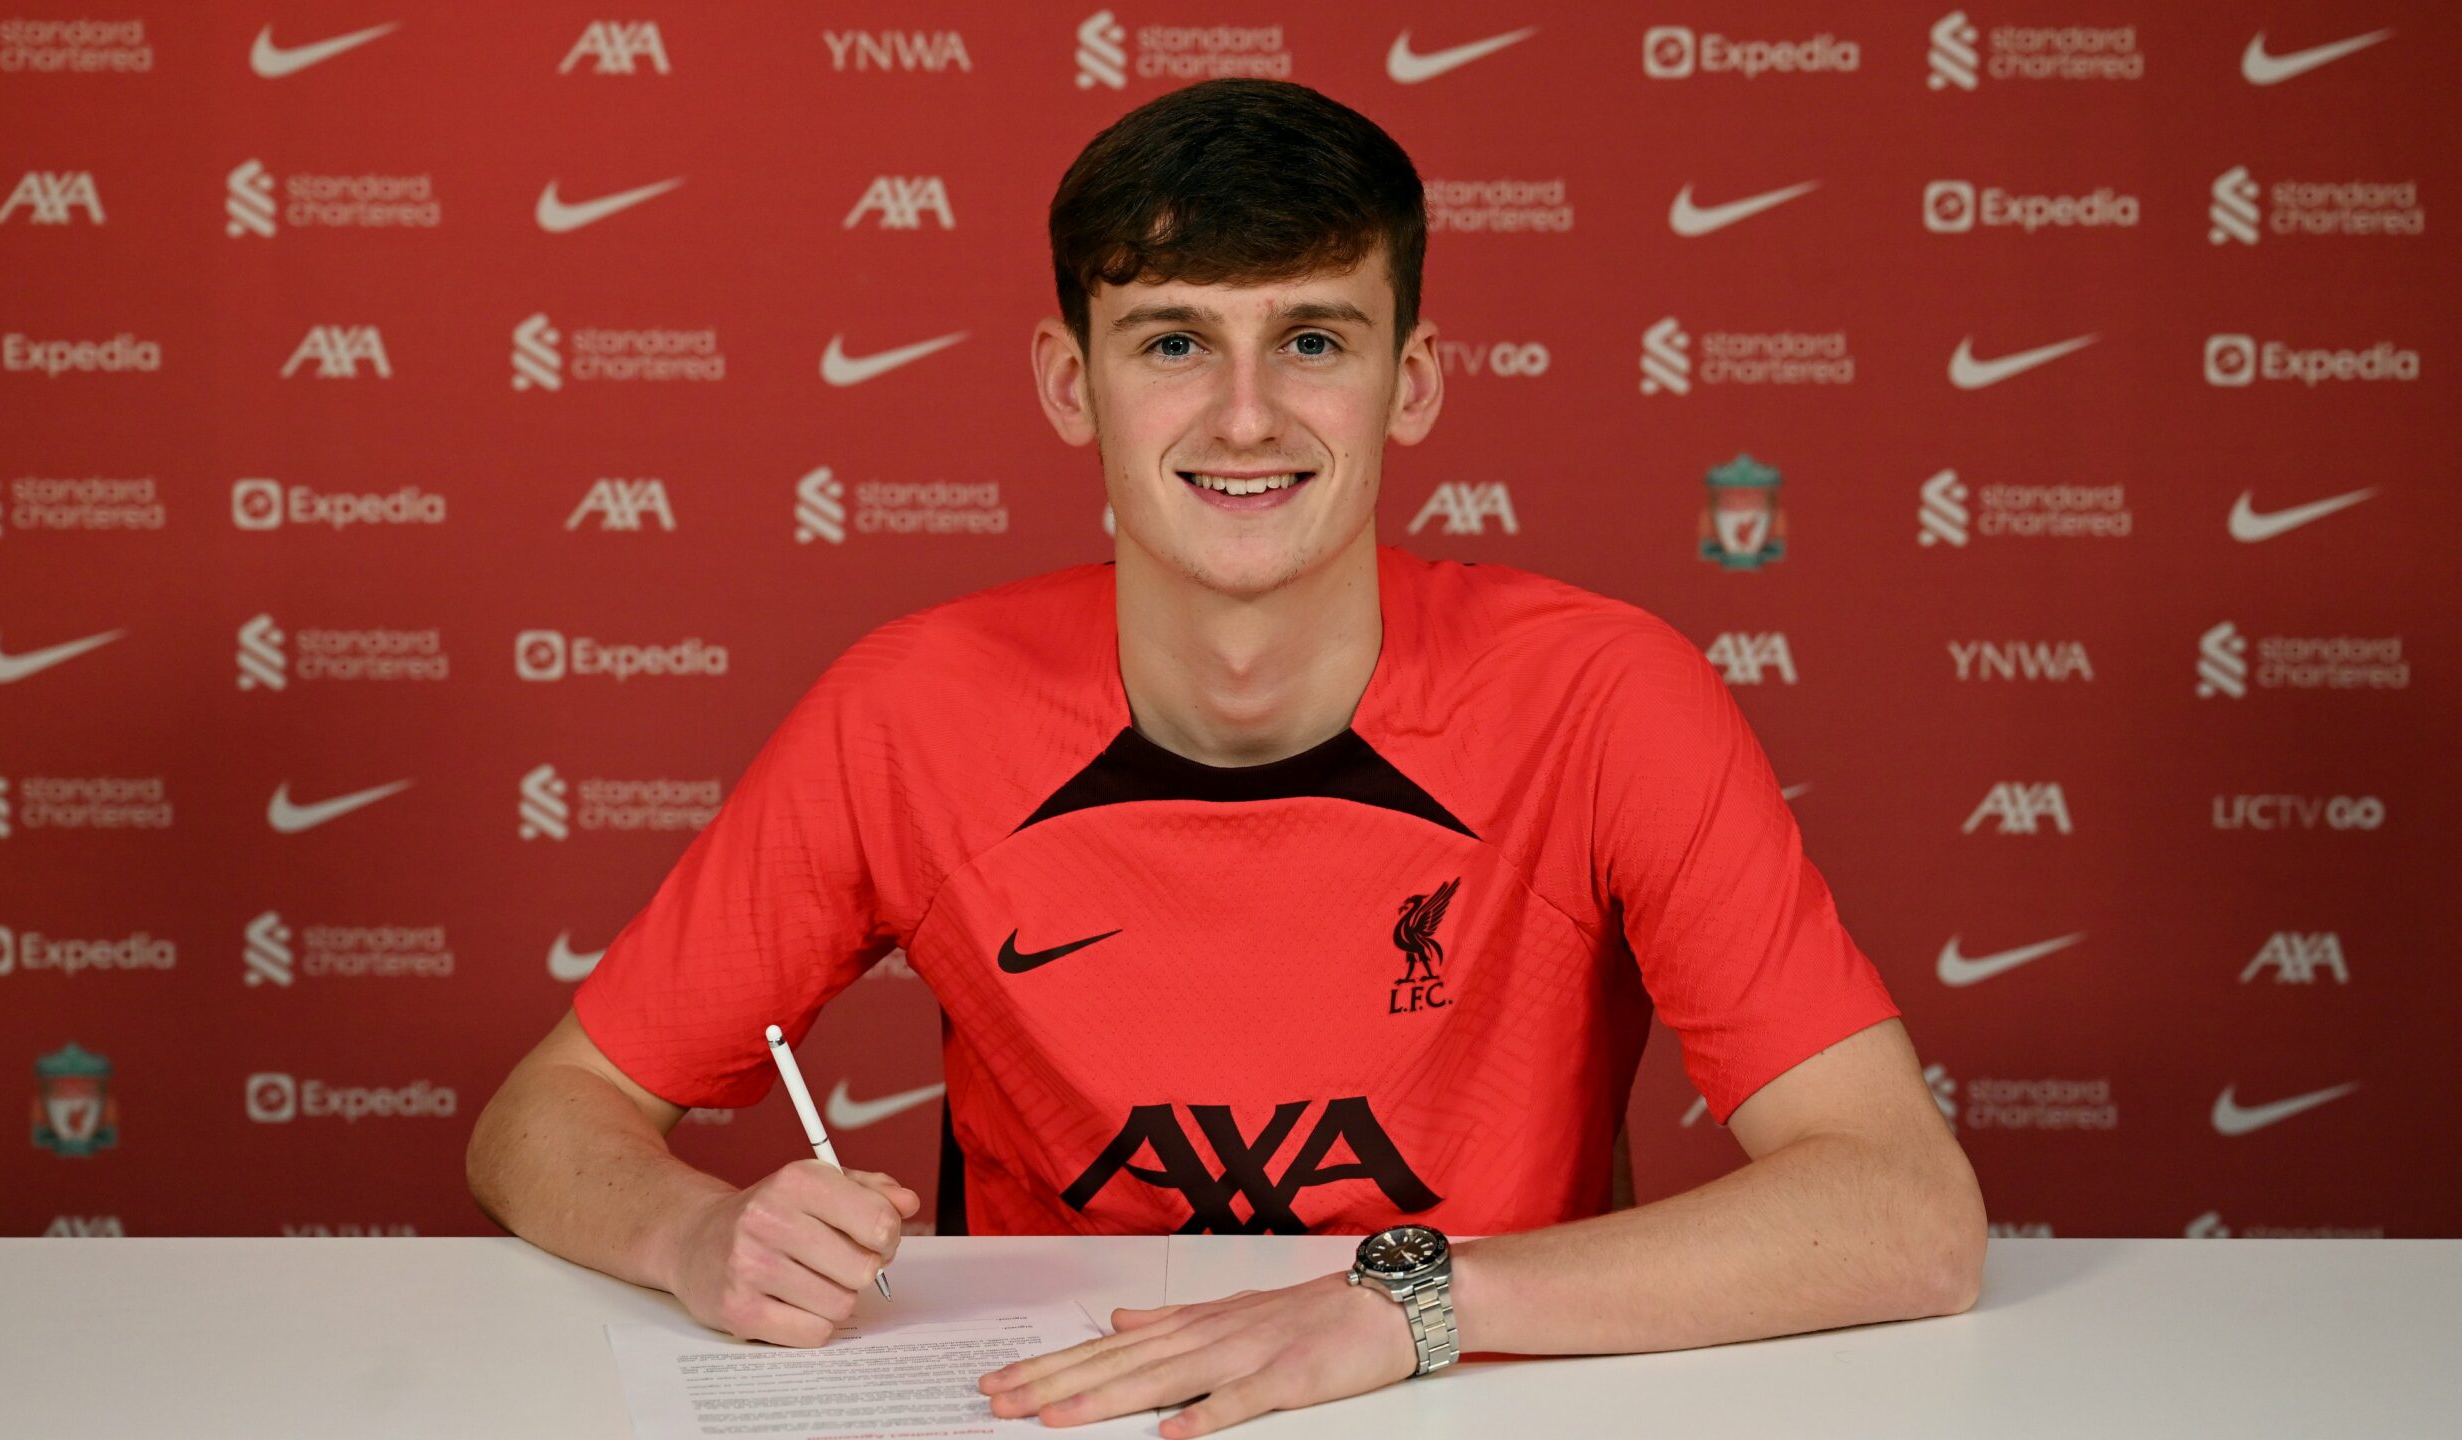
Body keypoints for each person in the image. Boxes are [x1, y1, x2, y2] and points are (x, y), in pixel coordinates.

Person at [467, 77, 1984, 1438]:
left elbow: (1906, 1211)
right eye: (1175, 341)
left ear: (1412, 380)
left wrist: (1405, 1304)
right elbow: (544, 1118)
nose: (1246, 416)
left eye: (1313, 341)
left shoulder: (1605, 698)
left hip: (1479, 1399)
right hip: (1049, 1411)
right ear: (1071, 382)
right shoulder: (909, 711)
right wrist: (692, 1237)